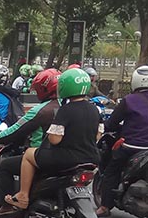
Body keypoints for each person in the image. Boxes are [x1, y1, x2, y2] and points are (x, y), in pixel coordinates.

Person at [6, 68, 100, 209]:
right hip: (91, 159)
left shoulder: (66, 110)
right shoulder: (94, 109)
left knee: (29, 154)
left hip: (66, 158)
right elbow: (98, 135)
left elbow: (54, 140)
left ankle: (23, 195)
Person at [95, 65, 148, 218]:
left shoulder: (128, 100)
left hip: (131, 147)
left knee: (111, 170)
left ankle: (104, 207)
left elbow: (112, 123)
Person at [0, 68, 62, 218]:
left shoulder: (40, 110)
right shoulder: (69, 107)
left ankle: (8, 205)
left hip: (41, 154)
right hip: (67, 155)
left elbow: (18, 128)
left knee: (5, 166)